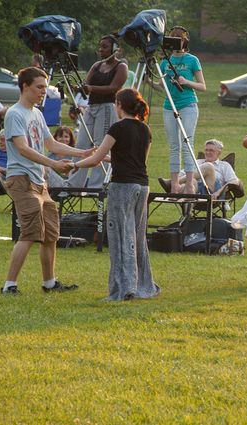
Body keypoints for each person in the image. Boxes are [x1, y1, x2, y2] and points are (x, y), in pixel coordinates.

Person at [1, 66, 95, 295]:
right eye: (39, 87)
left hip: (39, 182)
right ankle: (9, 286)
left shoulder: (37, 114)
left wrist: (81, 153)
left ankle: (49, 283)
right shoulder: (15, 114)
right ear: (25, 86)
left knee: (51, 234)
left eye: (45, 87)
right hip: (21, 180)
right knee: (30, 233)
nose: (44, 92)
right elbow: (22, 149)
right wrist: (52, 164)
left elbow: (51, 144)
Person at [73, 88, 160, 301]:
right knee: (137, 237)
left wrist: (73, 165)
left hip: (122, 187)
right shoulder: (145, 130)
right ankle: (142, 284)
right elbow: (137, 161)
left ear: (120, 104)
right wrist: (108, 159)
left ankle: (125, 287)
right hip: (142, 186)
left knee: (120, 236)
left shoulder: (117, 128)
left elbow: (94, 159)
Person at [67, 34, 128, 189]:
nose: (101, 50)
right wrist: (78, 87)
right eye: (100, 47)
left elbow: (114, 88)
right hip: (91, 107)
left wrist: (91, 88)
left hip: (107, 107)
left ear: (115, 49)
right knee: (81, 144)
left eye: (105, 47)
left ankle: (96, 186)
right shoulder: (96, 65)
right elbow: (86, 85)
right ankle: (73, 184)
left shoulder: (121, 67)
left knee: (101, 146)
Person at [153, 25, 206, 194]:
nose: (176, 41)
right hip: (169, 106)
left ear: (185, 41)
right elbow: (162, 86)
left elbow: (203, 86)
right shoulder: (164, 62)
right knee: (174, 146)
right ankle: (175, 184)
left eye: (179, 38)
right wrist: (148, 81)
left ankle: (190, 183)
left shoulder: (192, 60)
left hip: (188, 104)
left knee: (187, 143)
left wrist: (186, 82)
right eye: (173, 38)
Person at [165, 139, 240, 200]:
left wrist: (218, 192)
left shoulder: (224, 165)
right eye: (206, 150)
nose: (207, 152)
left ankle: (172, 183)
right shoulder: (197, 162)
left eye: (211, 150)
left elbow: (234, 181)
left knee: (208, 166)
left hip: (211, 192)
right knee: (192, 181)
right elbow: (181, 174)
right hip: (195, 190)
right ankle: (187, 214)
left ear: (219, 153)